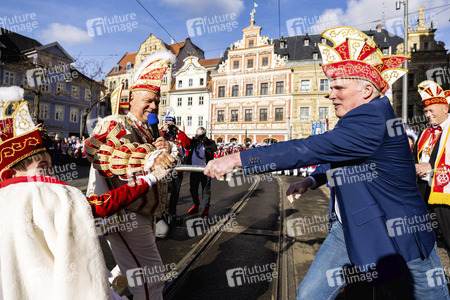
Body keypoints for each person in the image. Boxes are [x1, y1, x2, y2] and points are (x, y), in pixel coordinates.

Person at [204, 27, 449, 299]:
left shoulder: (373, 119)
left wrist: (237, 158)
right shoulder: (360, 119)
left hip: (398, 234)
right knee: (309, 295)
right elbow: (335, 155)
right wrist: (311, 180)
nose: (330, 94)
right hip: (350, 226)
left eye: (338, 87)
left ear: (367, 90)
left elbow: (311, 147)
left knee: (427, 295)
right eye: (330, 87)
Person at [0, 86, 172, 299]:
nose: (50, 176)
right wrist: (149, 173)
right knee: (149, 279)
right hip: (57, 286)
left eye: (49, 167)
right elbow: (98, 161)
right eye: (43, 168)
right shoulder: (49, 194)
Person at [85, 50, 181, 300]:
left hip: (145, 214)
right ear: (131, 100)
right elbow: (98, 153)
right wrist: (149, 157)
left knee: (130, 270)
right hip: (125, 214)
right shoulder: (115, 122)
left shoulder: (151, 130)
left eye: (157, 102)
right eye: (148, 100)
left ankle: (107, 292)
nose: (153, 106)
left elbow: (170, 158)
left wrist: (167, 148)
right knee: (151, 278)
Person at [413, 80, 450, 257]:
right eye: (425, 111)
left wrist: (433, 168)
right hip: (424, 195)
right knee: (424, 244)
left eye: (431, 110)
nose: (427, 115)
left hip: (446, 198)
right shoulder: (424, 133)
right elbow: (414, 158)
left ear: (445, 108)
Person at [161, 113, 190, 225]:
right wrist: (164, 130)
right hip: (165, 168)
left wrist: (178, 131)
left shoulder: (178, 134)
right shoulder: (162, 133)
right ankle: (162, 214)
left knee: (175, 193)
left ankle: (172, 214)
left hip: (178, 168)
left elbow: (187, 144)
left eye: (171, 123)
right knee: (163, 192)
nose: (169, 126)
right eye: (167, 123)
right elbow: (156, 140)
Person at [186, 127, 217, 216]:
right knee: (193, 189)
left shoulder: (209, 142)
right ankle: (195, 204)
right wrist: (195, 139)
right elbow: (187, 146)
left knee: (206, 190)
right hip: (194, 169)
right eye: (199, 134)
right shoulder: (194, 142)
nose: (200, 136)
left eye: (202, 134)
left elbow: (214, 148)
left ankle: (205, 208)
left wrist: (205, 140)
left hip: (206, 170)